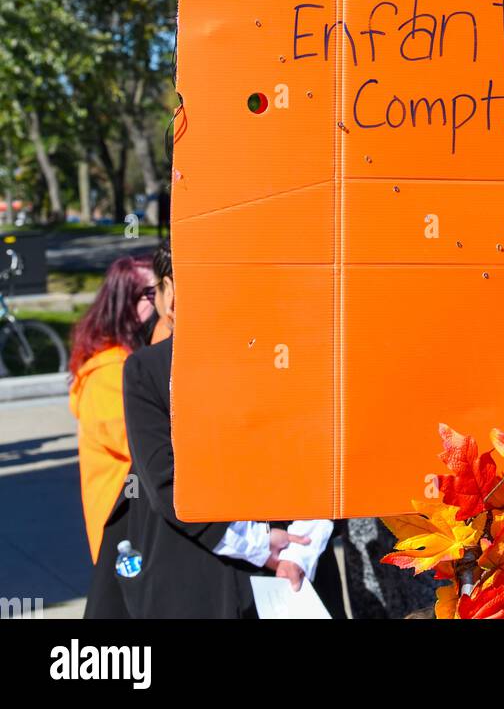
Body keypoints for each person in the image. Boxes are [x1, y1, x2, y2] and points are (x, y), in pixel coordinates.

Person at [88, 243, 344, 618]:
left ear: (172, 292)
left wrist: (261, 545)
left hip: (194, 572)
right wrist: (301, 548)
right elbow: (336, 462)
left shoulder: (149, 370)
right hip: (296, 570)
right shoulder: (305, 354)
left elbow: (167, 482)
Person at [69, 255, 157, 563]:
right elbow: (145, 446)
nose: (161, 300)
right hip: (124, 532)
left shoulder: (123, 363)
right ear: (126, 302)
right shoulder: (109, 374)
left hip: (134, 526)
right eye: (151, 293)